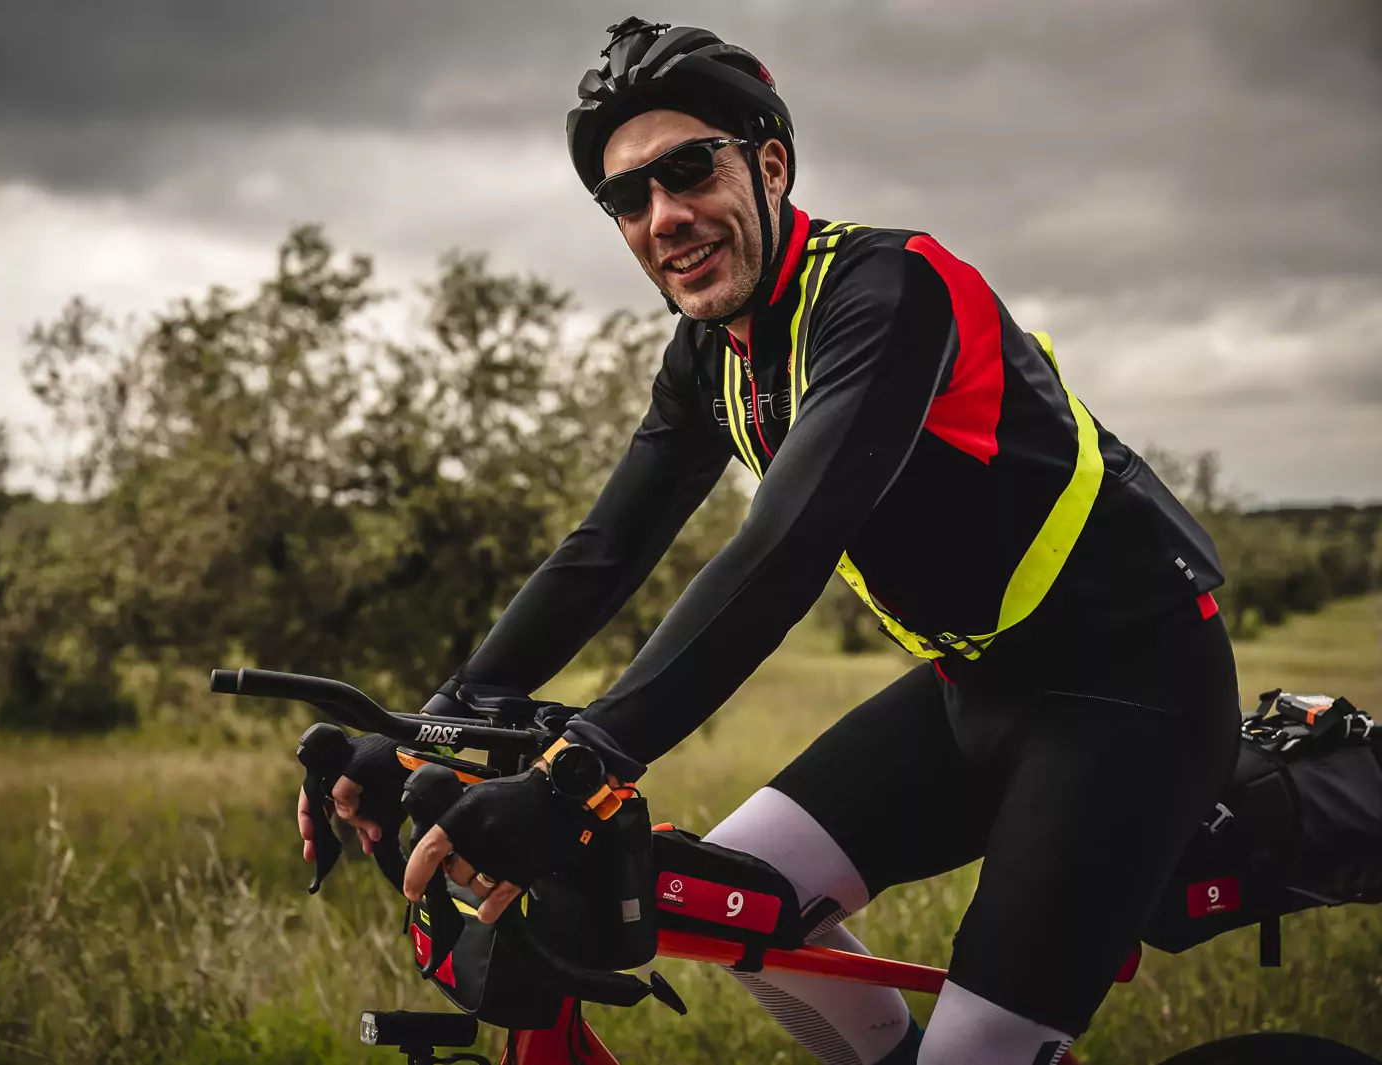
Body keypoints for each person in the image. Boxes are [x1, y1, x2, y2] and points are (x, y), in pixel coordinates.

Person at [297, 17, 1241, 1065]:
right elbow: (605, 549)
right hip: (971, 688)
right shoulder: (710, 354)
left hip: (1132, 693)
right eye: (626, 198)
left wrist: (581, 771)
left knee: (973, 1050)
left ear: (771, 166)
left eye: (688, 170)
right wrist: (430, 725)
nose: (663, 217)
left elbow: (784, 548)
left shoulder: (891, 290)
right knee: (728, 906)